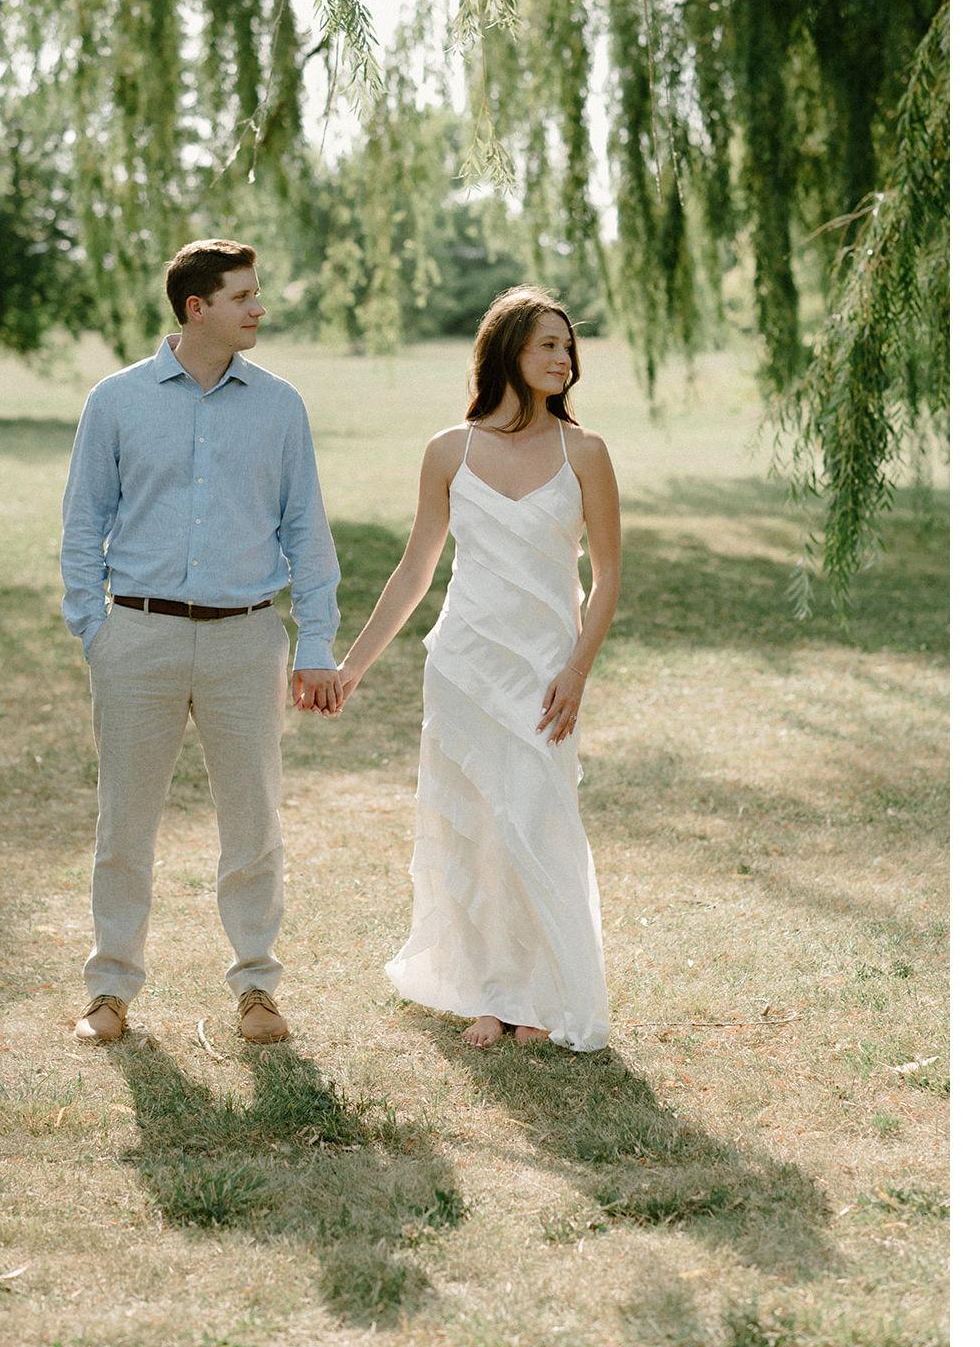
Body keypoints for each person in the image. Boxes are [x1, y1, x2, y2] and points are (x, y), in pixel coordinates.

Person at [59, 239, 342, 1047]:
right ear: (197, 307)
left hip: (246, 641)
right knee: (124, 826)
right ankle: (110, 989)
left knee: (253, 825)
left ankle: (257, 987)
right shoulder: (116, 401)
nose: (259, 308)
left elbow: (306, 529)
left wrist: (315, 643)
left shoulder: (280, 406)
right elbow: (82, 522)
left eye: (256, 293)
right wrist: (95, 631)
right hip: (137, 638)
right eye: (243, 296)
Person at [337, 287, 620, 1051]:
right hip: (464, 665)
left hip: (545, 672)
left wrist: (577, 671)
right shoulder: (448, 451)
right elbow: (415, 571)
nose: (564, 358)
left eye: (568, 346)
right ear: (507, 352)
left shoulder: (585, 453)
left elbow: (608, 577)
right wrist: (354, 665)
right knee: (473, 832)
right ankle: (490, 996)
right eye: (547, 345)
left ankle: (543, 996)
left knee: (538, 823)